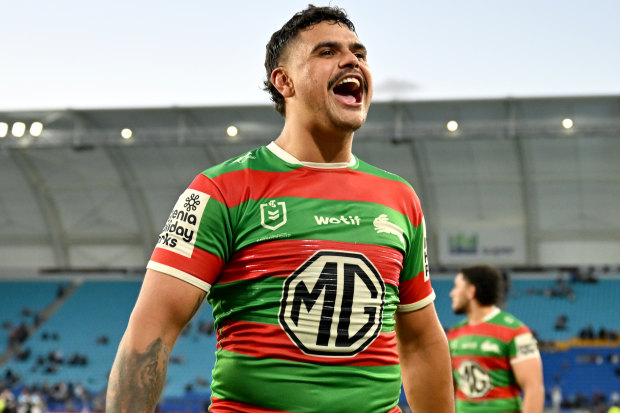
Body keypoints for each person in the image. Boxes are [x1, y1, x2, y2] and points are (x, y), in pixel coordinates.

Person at [106, 5, 454, 413]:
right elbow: (151, 333)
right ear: (284, 81)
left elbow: (420, 340)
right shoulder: (222, 189)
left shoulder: (400, 198)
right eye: (326, 52)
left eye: (359, 53)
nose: (351, 60)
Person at [447, 265, 545, 413]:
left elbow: (534, 388)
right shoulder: (454, 334)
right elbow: (450, 389)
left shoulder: (516, 332)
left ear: (471, 291)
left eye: (456, 287)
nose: (451, 293)